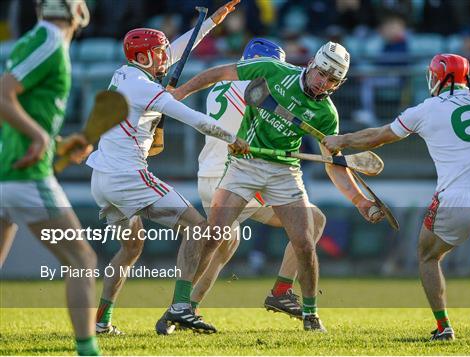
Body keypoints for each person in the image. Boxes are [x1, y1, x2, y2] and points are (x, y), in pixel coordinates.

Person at [322, 42, 470, 342]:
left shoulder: (424, 110)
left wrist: (342, 140)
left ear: (440, 78)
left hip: (453, 201)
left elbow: (377, 137)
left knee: (427, 257)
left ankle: (443, 326)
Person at [165, 41, 384, 332]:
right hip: (241, 167)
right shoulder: (271, 72)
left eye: (332, 80)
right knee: (217, 238)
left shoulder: (326, 114)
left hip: (281, 173)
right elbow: (218, 73)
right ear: (310, 64)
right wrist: (179, 93)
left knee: (303, 241)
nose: (323, 83)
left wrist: (360, 201)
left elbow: (334, 165)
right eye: (321, 73)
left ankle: (307, 312)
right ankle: (185, 307)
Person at [86, 0, 247, 335]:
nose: (164, 57)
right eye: (158, 53)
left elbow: (179, 49)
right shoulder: (145, 88)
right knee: (198, 228)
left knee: (131, 248)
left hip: (100, 177)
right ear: (144, 57)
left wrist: (212, 21)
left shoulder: (126, 72)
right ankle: (181, 307)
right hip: (127, 176)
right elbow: (196, 120)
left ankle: (101, 321)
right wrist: (231, 137)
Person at [192, 38, 327, 320]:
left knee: (225, 244)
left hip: (206, 176)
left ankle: (185, 306)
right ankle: (281, 291)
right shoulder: (259, 90)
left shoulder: (219, 87)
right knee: (313, 221)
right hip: (236, 173)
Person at [0, 0, 101, 355]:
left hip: (7, 168)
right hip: (25, 175)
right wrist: (41, 139)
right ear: (77, 11)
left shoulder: (31, 39)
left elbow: (17, 110)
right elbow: (3, 95)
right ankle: (88, 350)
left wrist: (56, 144)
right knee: (82, 260)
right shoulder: (50, 41)